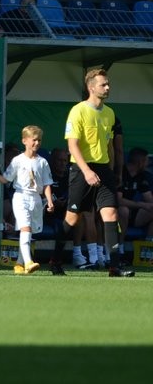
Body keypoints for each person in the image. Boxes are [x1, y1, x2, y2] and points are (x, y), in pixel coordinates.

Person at [49, 68, 135, 277]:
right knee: (71, 218)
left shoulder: (110, 113)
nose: (107, 87)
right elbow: (73, 146)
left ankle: (114, 267)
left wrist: (113, 171)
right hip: (81, 169)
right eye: (103, 84)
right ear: (91, 87)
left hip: (103, 169)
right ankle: (55, 260)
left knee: (111, 214)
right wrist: (86, 171)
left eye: (108, 84)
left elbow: (109, 147)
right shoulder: (78, 111)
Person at [0, 125, 54, 275]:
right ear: (24, 141)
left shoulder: (43, 162)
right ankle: (28, 262)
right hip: (21, 197)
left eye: (39, 140)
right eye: (34, 140)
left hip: (36, 199)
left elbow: (47, 183)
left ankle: (18, 264)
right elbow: (6, 179)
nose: (37, 143)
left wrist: (49, 201)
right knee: (25, 228)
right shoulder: (17, 160)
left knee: (29, 231)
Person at [118, 147, 153, 243]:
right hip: (114, 212)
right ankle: (119, 246)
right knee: (123, 210)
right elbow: (119, 200)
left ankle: (148, 246)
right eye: (146, 160)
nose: (148, 163)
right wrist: (141, 204)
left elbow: (149, 199)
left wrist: (149, 205)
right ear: (140, 162)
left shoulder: (142, 176)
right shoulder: (120, 173)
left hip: (132, 213)